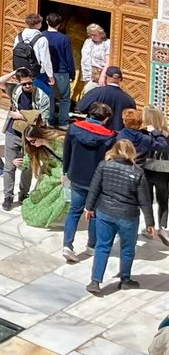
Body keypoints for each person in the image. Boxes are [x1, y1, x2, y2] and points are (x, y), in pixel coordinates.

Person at [84, 137, 158, 295]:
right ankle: (125, 280)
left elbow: (94, 188)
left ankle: (95, 281)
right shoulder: (137, 172)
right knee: (127, 248)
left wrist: (89, 208)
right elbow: (145, 201)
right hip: (128, 216)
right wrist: (150, 223)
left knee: (102, 246)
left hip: (105, 212)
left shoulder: (104, 165)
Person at [62, 104, 117, 262]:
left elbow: (67, 152)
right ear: (105, 119)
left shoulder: (74, 129)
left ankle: (67, 245)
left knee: (74, 211)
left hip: (76, 176)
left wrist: (65, 171)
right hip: (97, 181)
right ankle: (91, 246)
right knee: (93, 213)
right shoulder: (110, 137)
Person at [0, 68, 48, 209]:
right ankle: (8, 196)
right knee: (9, 167)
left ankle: (23, 194)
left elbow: (43, 120)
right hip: (13, 133)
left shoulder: (42, 97)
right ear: (19, 82)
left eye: (30, 83)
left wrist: (21, 116)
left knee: (27, 166)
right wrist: (15, 72)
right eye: (24, 84)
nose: (27, 86)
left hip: (30, 137)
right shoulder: (15, 90)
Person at [11, 13, 56, 108]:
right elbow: (45, 60)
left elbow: (14, 52)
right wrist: (50, 76)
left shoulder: (19, 36)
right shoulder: (42, 39)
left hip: (21, 73)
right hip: (37, 74)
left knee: (26, 96)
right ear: (38, 24)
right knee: (45, 97)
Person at [44, 12, 77, 127]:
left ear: (47, 22)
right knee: (64, 98)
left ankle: (50, 121)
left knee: (49, 96)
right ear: (59, 24)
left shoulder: (41, 36)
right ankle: (63, 122)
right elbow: (69, 57)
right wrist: (72, 73)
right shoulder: (64, 38)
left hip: (46, 72)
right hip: (62, 72)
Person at [143, 107, 169, 228]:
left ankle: (150, 227)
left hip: (147, 169)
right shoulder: (166, 133)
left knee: (147, 200)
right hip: (164, 170)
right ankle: (162, 227)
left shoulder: (145, 133)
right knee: (163, 201)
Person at [80, 23, 111, 92]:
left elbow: (108, 62)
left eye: (94, 35)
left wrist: (102, 76)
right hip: (87, 74)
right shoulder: (88, 41)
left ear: (101, 34)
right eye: (90, 34)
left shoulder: (107, 43)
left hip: (99, 74)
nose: (92, 37)